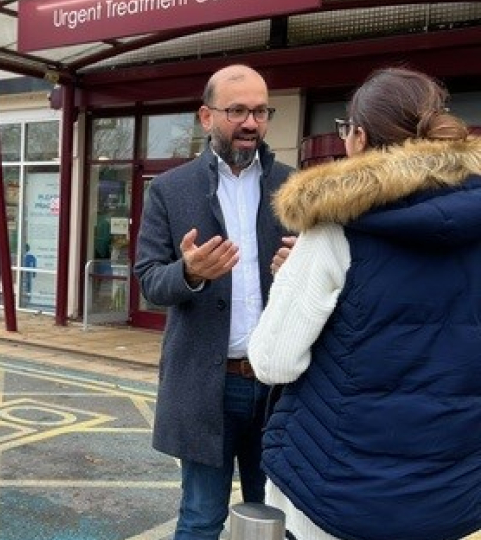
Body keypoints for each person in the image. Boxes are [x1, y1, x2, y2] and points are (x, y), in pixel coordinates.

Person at [248, 67, 481, 540]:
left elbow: (274, 361)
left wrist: (292, 279)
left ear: (357, 136)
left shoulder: (335, 229)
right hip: (453, 496)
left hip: (333, 494)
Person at [134, 64, 293, 540]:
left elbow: (325, 280)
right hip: (209, 388)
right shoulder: (169, 189)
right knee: (202, 517)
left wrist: (298, 272)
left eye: (261, 111)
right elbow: (148, 280)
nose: (250, 122)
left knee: (280, 520)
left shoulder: (294, 186)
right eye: (237, 110)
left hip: (279, 388)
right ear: (206, 117)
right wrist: (189, 273)